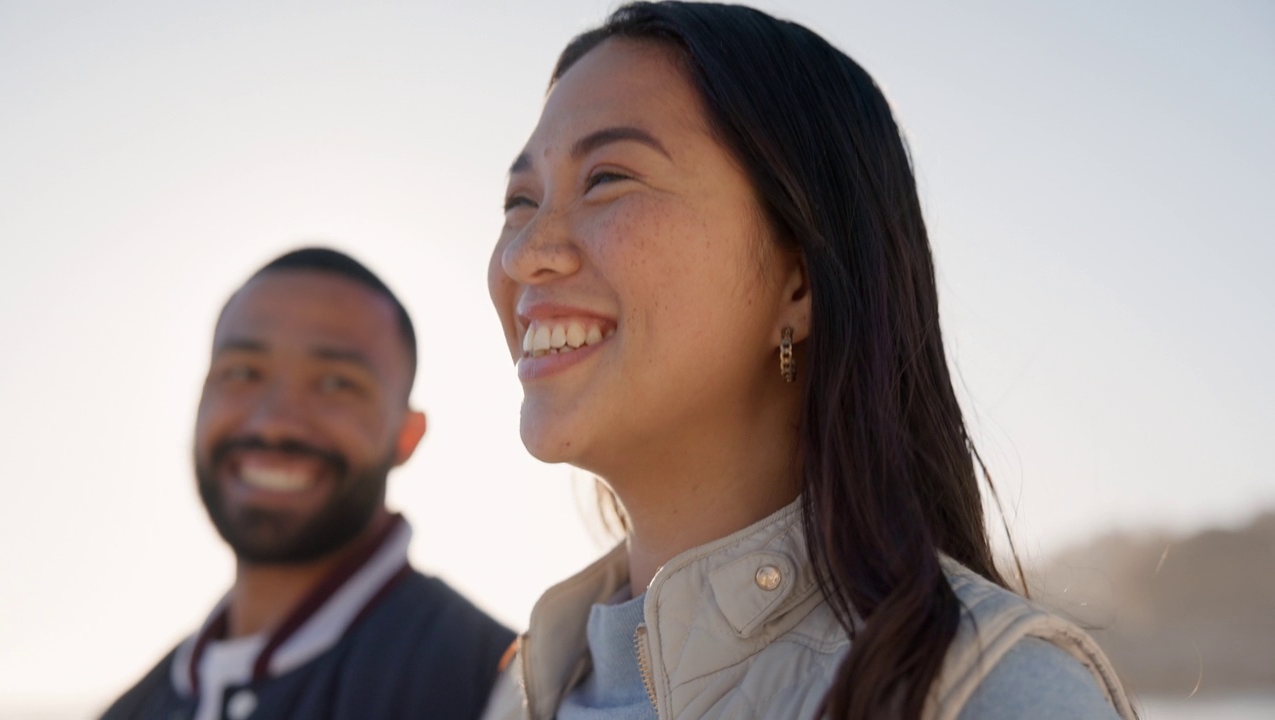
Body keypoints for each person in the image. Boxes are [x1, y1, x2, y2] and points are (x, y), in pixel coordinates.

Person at [484, 3, 1135, 719]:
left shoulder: (988, 693)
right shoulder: (527, 690)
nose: (524, 253)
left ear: (800, 283)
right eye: (520, 200)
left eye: (608, 178)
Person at [103, 247, 514, 720]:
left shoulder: (499, 687)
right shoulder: (133, 709)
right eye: (242, 373)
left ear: (407, 435)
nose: (275, 422)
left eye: (335, 383)